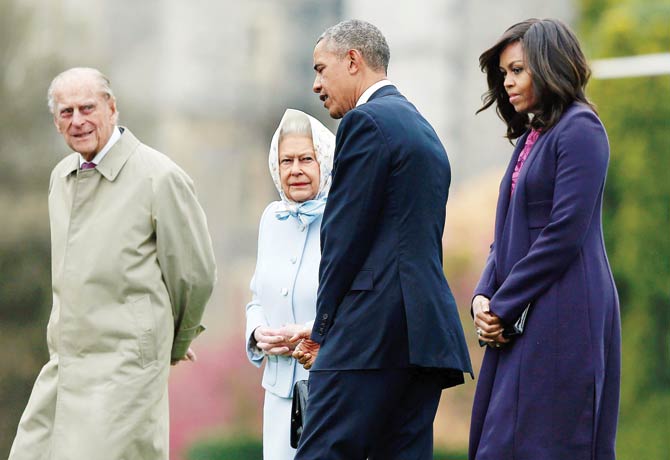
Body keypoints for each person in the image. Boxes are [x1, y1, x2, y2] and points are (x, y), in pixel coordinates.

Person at [9, 67, 217, 460]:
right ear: (56, 123)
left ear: (112, 108)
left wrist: (177, 340)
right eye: (66, 112)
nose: (78, 120)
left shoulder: (160, 176)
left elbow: (195, 275)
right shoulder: (61, 178)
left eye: (87, 108)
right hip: (64, 367)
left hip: (125, 372)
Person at [290, 19, 473, 460]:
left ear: (353, 61)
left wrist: (321, 330)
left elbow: (343, 238)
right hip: (423, 338)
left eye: (320, 69)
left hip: (369, 335)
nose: (315, 84)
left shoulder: (365, 123)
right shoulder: (423, 129)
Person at [469, 19, 621, 460]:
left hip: (564, 315)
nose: (507, 82)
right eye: (503, 73)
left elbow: (563, 234)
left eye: (517, 70)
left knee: (547, 445)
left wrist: (502, 304)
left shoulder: (581, 130)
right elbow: (507, 234)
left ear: (549, 66)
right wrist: (483, 295)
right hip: (521, 314)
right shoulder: (532, 137)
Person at [245, 109, 335, 460]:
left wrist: (316, 331)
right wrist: (256, 333)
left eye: (305, 159)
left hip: (326, 384)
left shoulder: (341, 219)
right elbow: (257, 297)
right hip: (279, 390)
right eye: (286, 161)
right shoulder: (271, 218)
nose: (295, 170)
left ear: (324, 162)